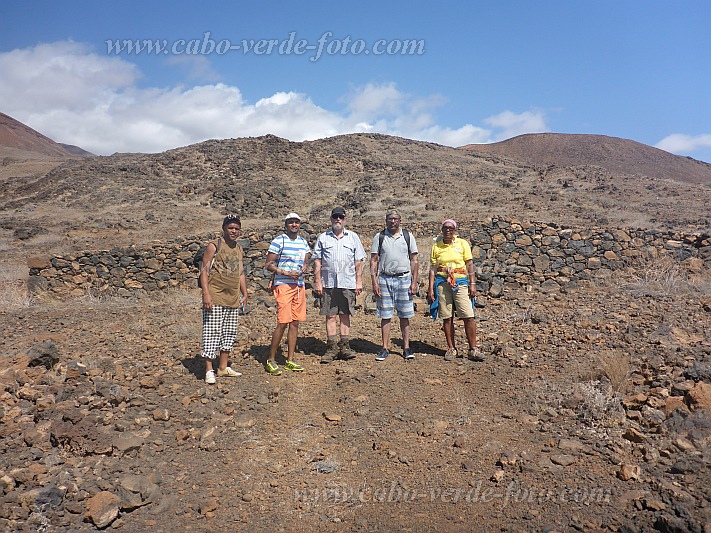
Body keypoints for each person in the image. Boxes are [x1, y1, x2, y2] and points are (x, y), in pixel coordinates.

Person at [312, 207, 366, 363]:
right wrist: (318, 281)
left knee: (345, 314)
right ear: (331, 219)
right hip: (328, 283)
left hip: (347, 282)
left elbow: (358, 261)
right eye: (335, 216)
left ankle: (345, 346)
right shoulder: (323, 238)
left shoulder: (353, 237)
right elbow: (317, 260)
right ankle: (331, 347)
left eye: (340, 217)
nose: (338, 219)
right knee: (330, 315)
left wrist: (359, 281)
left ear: (345, 219)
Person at [200, 214, 249, 384]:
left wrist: (245, 292)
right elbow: (204, 271)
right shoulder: (214, 246)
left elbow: (240, 272)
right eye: (230, 228)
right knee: (211, 332)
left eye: (236, 228)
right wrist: (206, 294)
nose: (233, 231)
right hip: (215, 296)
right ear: (224, 229)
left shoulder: (239, 248)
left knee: (228, 333)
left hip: (232, 297)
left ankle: (223, 367)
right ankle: (209, 369)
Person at [427, 219, 483, 362]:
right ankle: (451, 348)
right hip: (442, 282)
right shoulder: (437, 246)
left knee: (467, 315)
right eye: (445, 228)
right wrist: (430, 288)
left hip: (460, 281)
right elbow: (433, 269)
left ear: (455, 230)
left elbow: (469, 264)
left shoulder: (462, 244)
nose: (448, 230)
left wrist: (472, 284)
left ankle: (473, 348)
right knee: (447, 316)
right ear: (441, 229)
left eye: (451, 228)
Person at [264, 213, 312, 376]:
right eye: (291, 222)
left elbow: (306, 260)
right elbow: (269, 264)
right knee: (283, 322)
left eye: (296, 222)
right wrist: (284, 272)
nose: (294, 225)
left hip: (299, 285)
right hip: (284, 284)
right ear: (286, 224)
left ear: (300, 225)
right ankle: (271, 360)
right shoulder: (279, 241)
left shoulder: (303, 242)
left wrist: (305, 267)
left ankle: (290, 359)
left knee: (295, 322)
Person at [369, 209, 419, 361]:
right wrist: (374, 281)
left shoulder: (407, 236)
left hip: (404, 279)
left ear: (400, 220)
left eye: (395, 219)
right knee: (385, 315)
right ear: (386, 220)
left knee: (404, 315)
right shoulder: (380, 237)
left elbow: (414, 260)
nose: (392, 221)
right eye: (390, 219)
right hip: (385, 279)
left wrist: (414, 281)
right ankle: (384, 348)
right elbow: (374, 260)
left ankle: (406, 348)